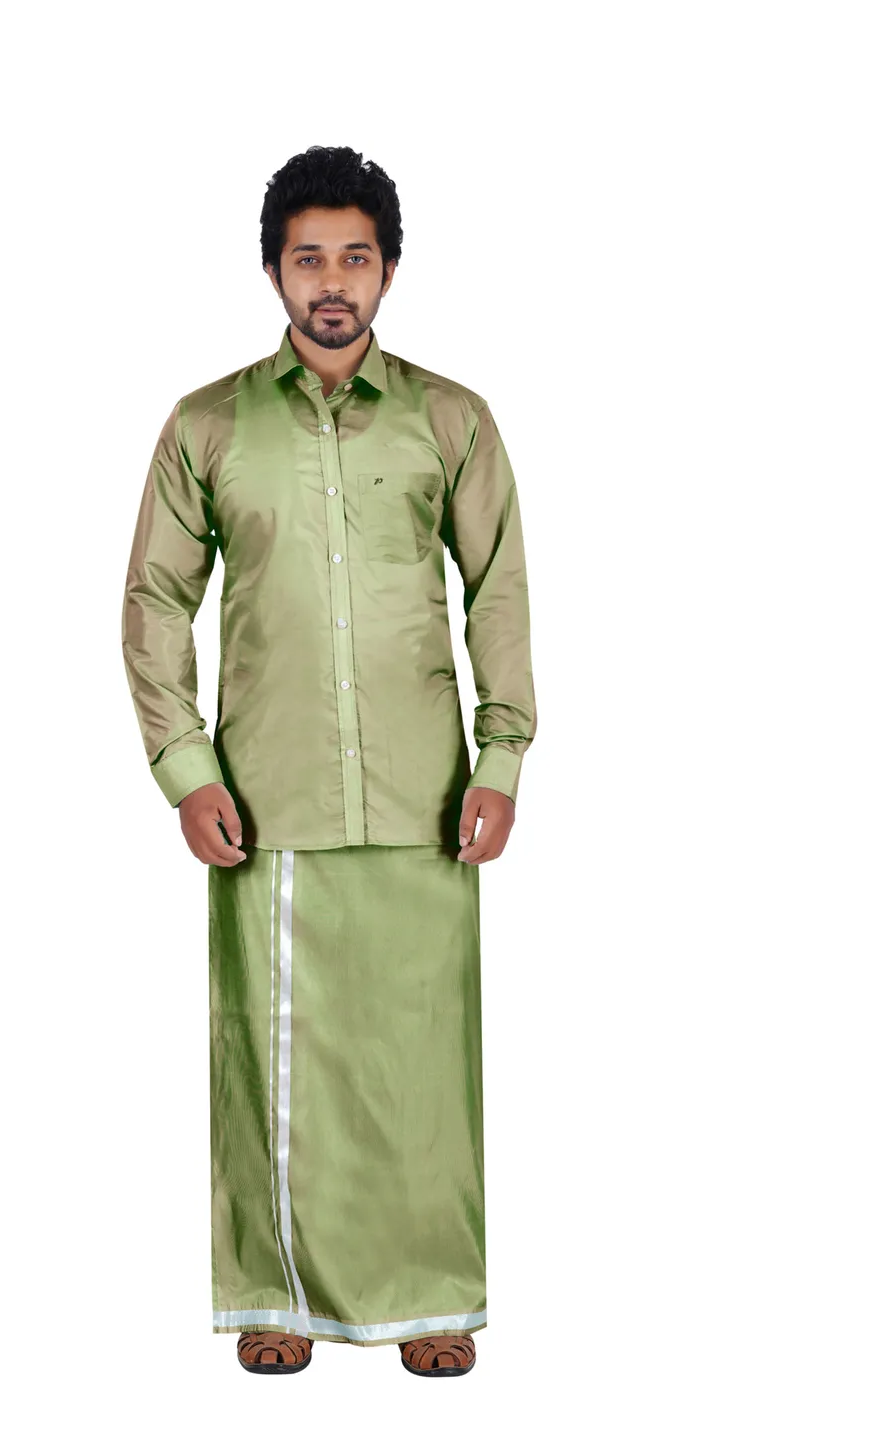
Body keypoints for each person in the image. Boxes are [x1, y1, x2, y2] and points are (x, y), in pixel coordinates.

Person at [121, 145, 536, 1378]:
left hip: (424, 798)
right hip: (267, 796)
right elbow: (154, 600)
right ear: (274, 272)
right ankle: (275, 1298)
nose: (333, 281)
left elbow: (498, 590)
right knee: (271, 1051)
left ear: (389, 270)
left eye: (356, 256)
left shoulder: (453, 419)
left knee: (423, 1057)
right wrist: (186, 765)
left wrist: (501, 757)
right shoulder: (208, 425)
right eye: (309, 258)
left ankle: (434, 1299)